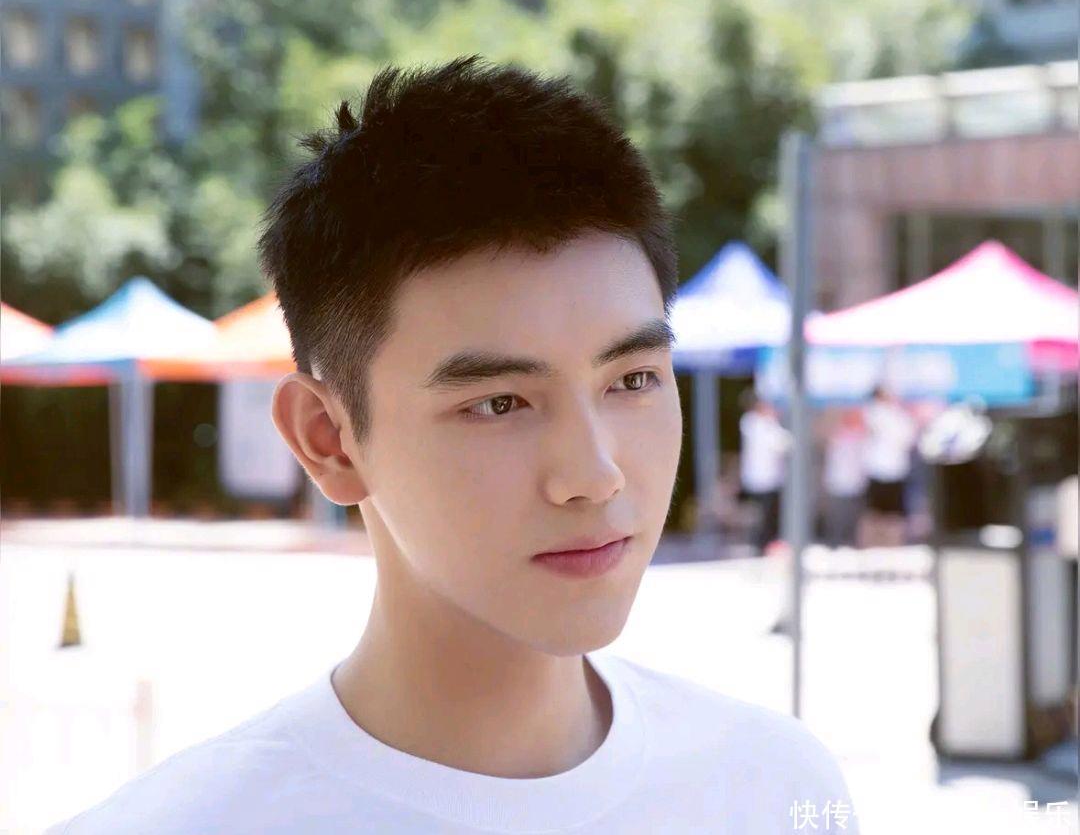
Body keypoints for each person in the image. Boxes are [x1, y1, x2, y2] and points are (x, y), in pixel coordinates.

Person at [47, 56, 857, 834]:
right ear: (328, 439)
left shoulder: (777, 790)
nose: (595, 473)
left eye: (634, 379)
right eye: (500, 402)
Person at [858, 384, 917, 548]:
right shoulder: (873, 412)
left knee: (894, 513)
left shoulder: (899, 414)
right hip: (876, 469)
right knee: (873, 513)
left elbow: (909, 438)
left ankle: (893, 546)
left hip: (896, 470)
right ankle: (869, 546)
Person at [738, 391, 792, 555]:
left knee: (767, 516)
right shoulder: (752, 422)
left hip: (769, 478)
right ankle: (760, 545)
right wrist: (772, 419)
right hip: (761, 479)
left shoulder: (762, 423)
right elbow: (781, 443)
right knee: (763, 516)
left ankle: (764, 544)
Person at [823, 407, 867, 549]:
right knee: (837, 515)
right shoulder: (837, 435)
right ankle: (835, 541)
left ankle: (851, 541)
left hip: (855, 482)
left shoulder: (862, 436)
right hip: (839, 482)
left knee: (853, 515)